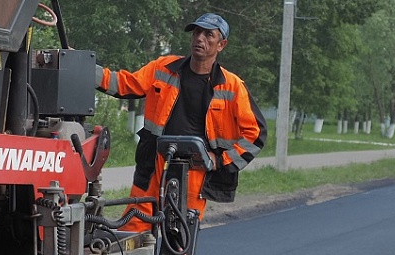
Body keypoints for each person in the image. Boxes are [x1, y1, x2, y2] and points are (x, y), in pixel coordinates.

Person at [95, 13, 267, 232]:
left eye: (208, 35)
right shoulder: (164, 67)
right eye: (196, 32)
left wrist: (220, 160)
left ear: (221, 44)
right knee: (132, 236)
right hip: (154, 165)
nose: (199, 39)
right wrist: (86, 69)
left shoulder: (231, 86)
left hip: (194, 174)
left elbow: (255, 134)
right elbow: (125, 83)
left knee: (179, 242)